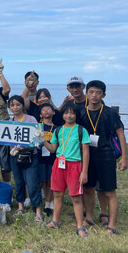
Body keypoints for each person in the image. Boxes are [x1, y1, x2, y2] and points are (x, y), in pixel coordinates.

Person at [77, 80, 128, 234]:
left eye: (98, 93)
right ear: (86, 94)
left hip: (106, 155)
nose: (94, 95)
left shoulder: (110, 113)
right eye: (91, 92)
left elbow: (120, 133)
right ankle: (89, 219)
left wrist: (124, 157)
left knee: (109, 191)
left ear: (103, 94)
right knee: (88, 189)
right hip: (86, 155)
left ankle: (112, 225)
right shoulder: (80, 112)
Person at [38, 102, 91, 238]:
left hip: (74, 165)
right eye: (66, 112)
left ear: (76, 115)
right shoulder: (58, 130)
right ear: (62, 115)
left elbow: (85, 152)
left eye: (72, 113)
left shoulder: (81, 130)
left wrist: (84, 172)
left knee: (76, 197)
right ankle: (55, 221)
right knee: (57, 194)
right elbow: (52, 149)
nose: (69, 115)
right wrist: (43, 140)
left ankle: (80, 226)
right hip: (59, 164)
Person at [9, 95, 44, 223]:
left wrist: (25, 147)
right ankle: (20, 207)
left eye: (18, 104)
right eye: (12, 105)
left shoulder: (31, 119)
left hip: (30, 155)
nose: (15, 107)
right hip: (14, 156)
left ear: (23, 105)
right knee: (18, 182)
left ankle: (38, 211)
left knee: (32, 183)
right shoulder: (9, 120)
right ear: (9, 107)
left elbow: (37, 139)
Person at [37, 103, 57, 216]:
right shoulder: (37, 127)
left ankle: (48, 205)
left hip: (52, 158)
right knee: (40, 182)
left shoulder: (57, 128)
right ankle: (37, 203)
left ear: (53, 112)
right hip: (39, 158)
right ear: (40, 114)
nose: (46, 111)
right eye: (43, 110)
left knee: (50, 181)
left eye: (48, 109)